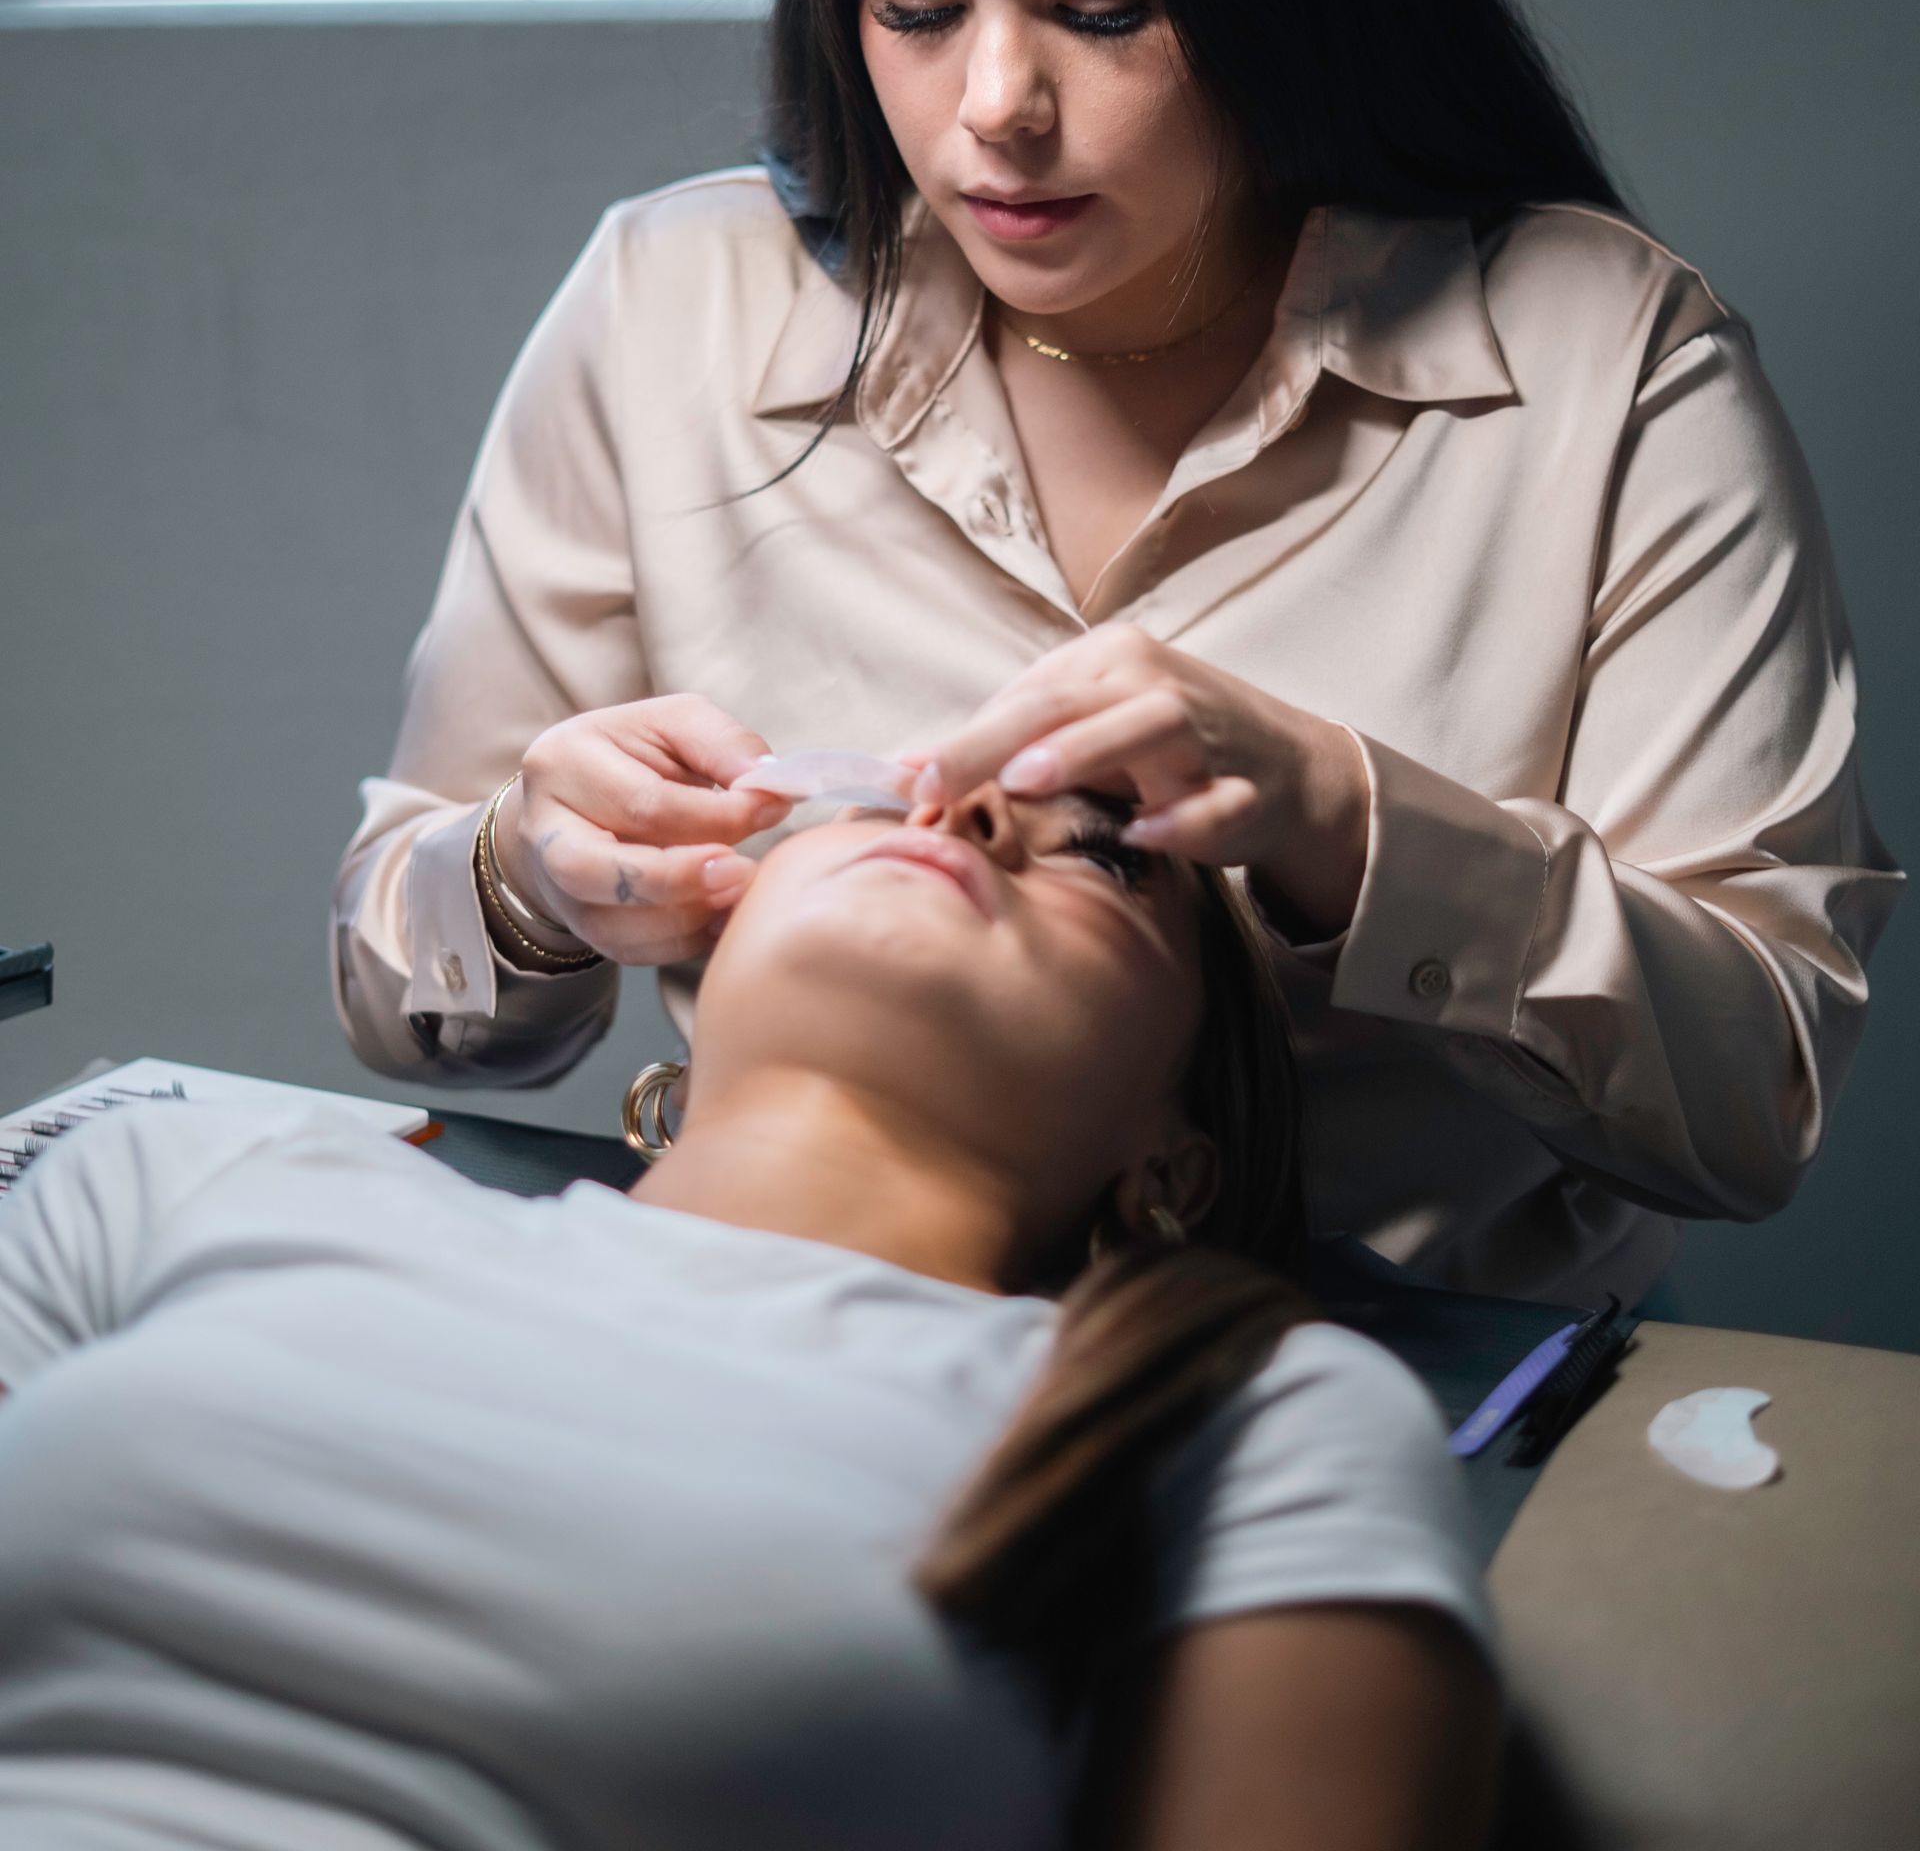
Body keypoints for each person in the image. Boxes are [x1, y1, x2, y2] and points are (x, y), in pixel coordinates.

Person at [332, 0, 1899, 1310]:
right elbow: (400, 999)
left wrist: (1343, 823)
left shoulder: (1607, 366)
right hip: (761, 1335)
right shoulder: (669, 309)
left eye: (1105, 9)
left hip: (1413, 1385)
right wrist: (528, 877)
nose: (994, 104)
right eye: (911, 5)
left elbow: (1759, 1095)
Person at [0, 785, 1497, 1851]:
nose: (962, 817)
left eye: (1104, 859)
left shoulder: (1245, 1417)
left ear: (1172, 1162)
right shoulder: (190, 1176)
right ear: (700, 971)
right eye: (891, 797)